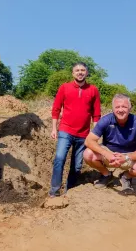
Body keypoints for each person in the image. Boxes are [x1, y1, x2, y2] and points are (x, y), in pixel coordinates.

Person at [49, 62, 101, 197]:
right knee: (59, 159)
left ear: (87, 73)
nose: (80, 72)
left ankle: (69, 192)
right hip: (65, 131)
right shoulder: (64, 88)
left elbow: (96, 114)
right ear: (73, 73)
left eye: (82, 70)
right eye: (77, 70)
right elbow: (56, 109)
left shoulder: (93, 90)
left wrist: (95, 135)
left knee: (77, 166)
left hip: (83, 134)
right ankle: (54, 191)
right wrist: (54, 129)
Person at [83, 94, 136, 195]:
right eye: (117, 107)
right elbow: (88, 141)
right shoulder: (106, 120)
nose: (120, 110)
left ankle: (126, 177)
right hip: (109, 154)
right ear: (113, 109)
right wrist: (106, 154)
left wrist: (127, 157)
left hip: (129, 156)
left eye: (124, 106)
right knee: (87, 154)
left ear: (130, 108)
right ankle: (107, 175)